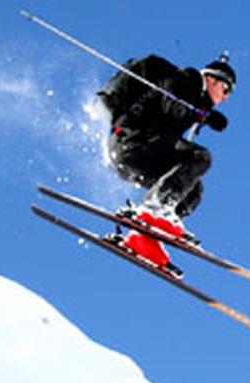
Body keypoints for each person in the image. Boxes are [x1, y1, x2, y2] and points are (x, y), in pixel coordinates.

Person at [97, 54, 236, 269]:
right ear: (212, 79)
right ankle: (155, 208)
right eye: (226, 89)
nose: (226, 97)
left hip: (143, 152)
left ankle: (143, 238)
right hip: (132, 143)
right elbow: (172, 104)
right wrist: (204, 115)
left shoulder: (196, 99)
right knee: (200, 157)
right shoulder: (185, 79)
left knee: (193, 191)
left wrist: (203, 113)